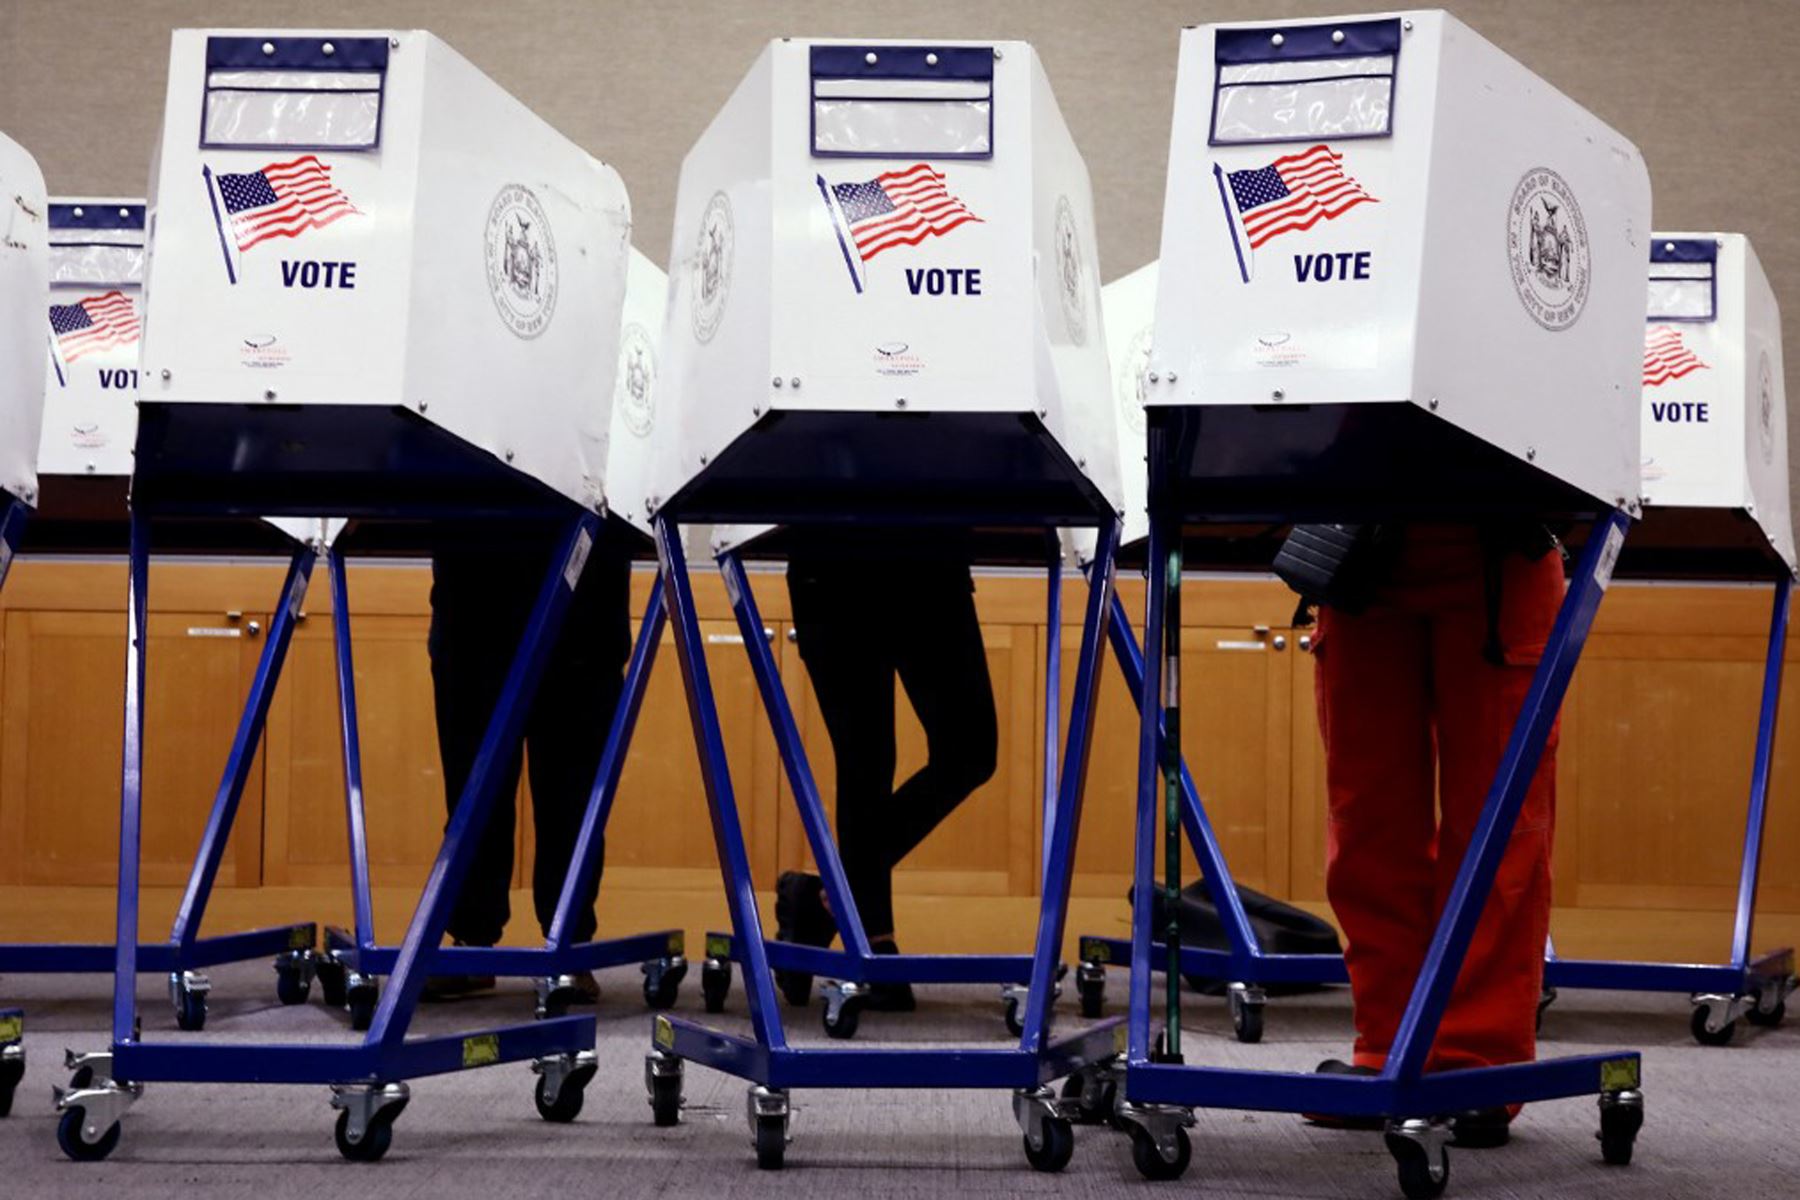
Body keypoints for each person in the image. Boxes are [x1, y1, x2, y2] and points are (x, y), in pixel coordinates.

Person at [1302, 522, 1564, 1147]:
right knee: (1368, 826)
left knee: (1498, 833)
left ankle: (1480, 1063)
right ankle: (1387, 1048)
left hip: (1499, 548)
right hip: (1360, 552)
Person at [774, 529, 999, 1011]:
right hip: (832, 558)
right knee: (865, 759)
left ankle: (831, 897)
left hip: (928, 554)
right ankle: (873, 942)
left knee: (971, 750)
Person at [421, 518, 633, 1001]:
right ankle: (473, 937)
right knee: (474, 782)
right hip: (476, 575)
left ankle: (569, 942)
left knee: (573, 792)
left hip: (584, 580)